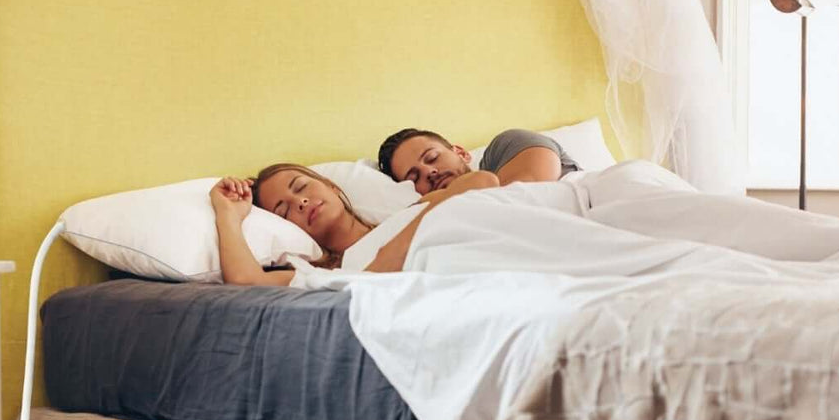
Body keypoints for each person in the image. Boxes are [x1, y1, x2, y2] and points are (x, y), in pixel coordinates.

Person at [210, 161, 502, 286]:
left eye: (301, 187)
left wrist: (383, 263)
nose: (300, 203)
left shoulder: (407, 215)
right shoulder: (323, 274)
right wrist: (228, 214)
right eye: (285, 211)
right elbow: (248, 280)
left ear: (332, 187)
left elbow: (482, 180)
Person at [378, 127, 579, 196]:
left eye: (432, 158)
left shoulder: (507, 144)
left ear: (461, 153)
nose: (430, 172)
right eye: (414, 178)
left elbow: (524, 198)